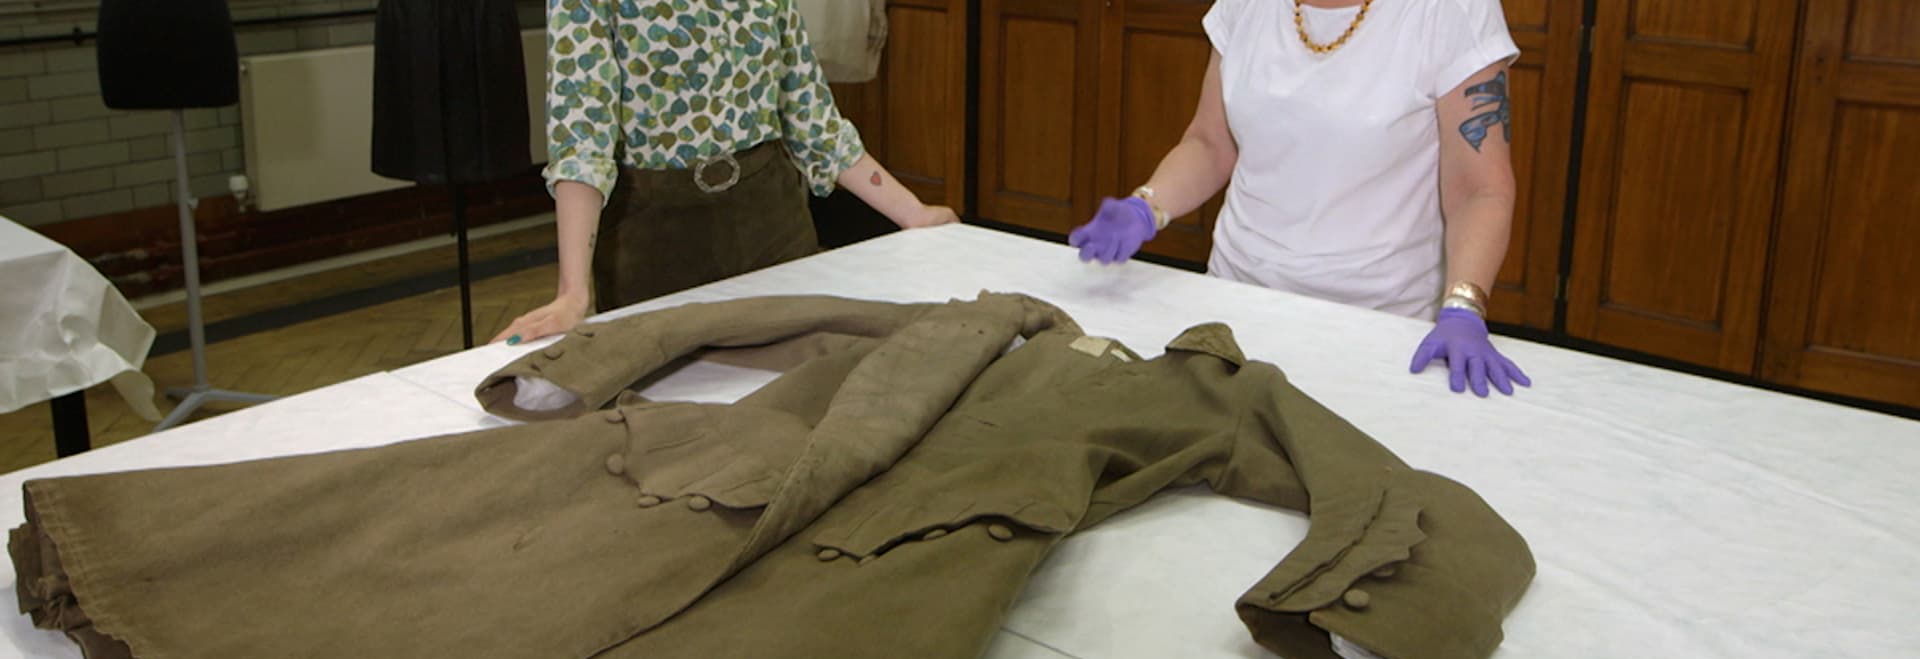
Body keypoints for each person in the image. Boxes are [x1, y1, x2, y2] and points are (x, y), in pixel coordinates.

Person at [1067, 0, 1532, 397]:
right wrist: (1147, 206)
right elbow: (1211, 143)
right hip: (1234, 305)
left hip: (1379, 325)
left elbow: (1480, 189)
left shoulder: (1451, 11)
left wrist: (1464, 305)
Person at [494, 0, 956, 345]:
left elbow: (812, 118)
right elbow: (583, 137)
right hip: (657, 240)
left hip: (771, 225)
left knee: (796, 402)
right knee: (674, 419)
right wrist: (573, 293)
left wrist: (912, 212)